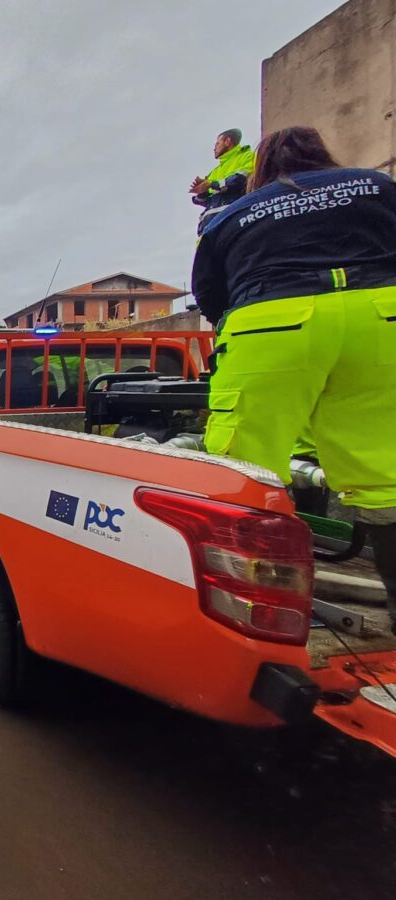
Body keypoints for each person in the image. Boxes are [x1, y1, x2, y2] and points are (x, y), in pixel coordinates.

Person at [192, 125, 396, 631]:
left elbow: (211, 296)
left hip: (273, 322)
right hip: (382, 316)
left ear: (260, 167)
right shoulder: (375, 185)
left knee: (245, 470)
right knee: (387, 479)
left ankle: (254, 614)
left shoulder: (234, 214)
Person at [189, 128, 256, 234]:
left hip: (235, 223)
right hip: (209, 228)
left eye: (217, 143)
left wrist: (211, 184)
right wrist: (201, 192)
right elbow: (207, 201)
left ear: (227, 141)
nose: (214, 148)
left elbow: (240, 180)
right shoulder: (214, 172)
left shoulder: (247, 156)